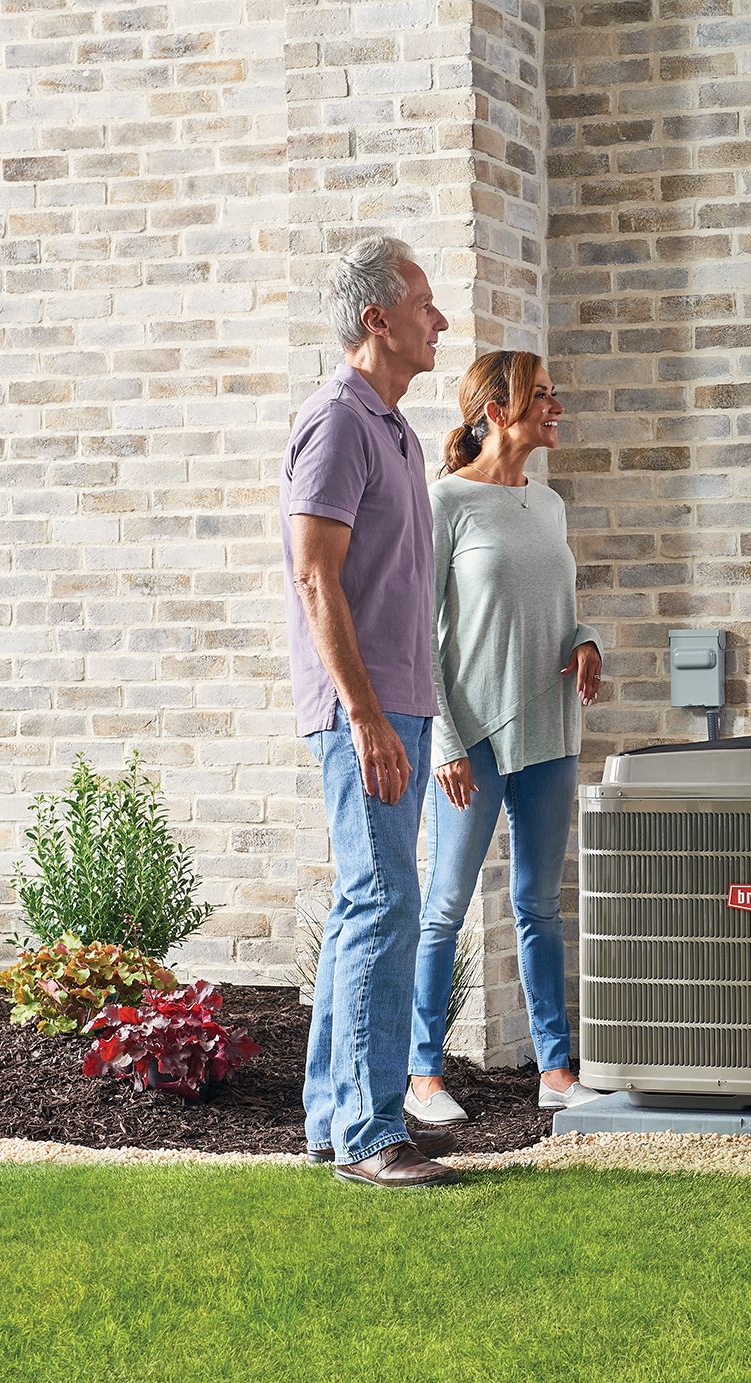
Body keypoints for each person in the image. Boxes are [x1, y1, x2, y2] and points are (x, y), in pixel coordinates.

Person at [281, 234, 464, 1188]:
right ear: (377, 319)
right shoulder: (339, 421)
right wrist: (364, 714)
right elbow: (317, 576)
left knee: (373, 903)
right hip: (368, 709)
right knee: (384, 900)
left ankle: (333, 1115)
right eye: (426, 306)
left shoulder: (396, 429)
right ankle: (366, 1132)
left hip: (402, 700)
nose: (442, 322)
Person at [403, 349, 605, 1123]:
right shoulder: (446, 503)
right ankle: (422, 1076)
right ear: (497, 412)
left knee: (538, 904)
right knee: (445, 905)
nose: (556, 407)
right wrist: (444, 742)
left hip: (550, 728)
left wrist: (586, 640)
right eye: (542, 397)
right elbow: (419, 634)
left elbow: (561, 604)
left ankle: (556, 1069)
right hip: (474, 735)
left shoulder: (547, 505)